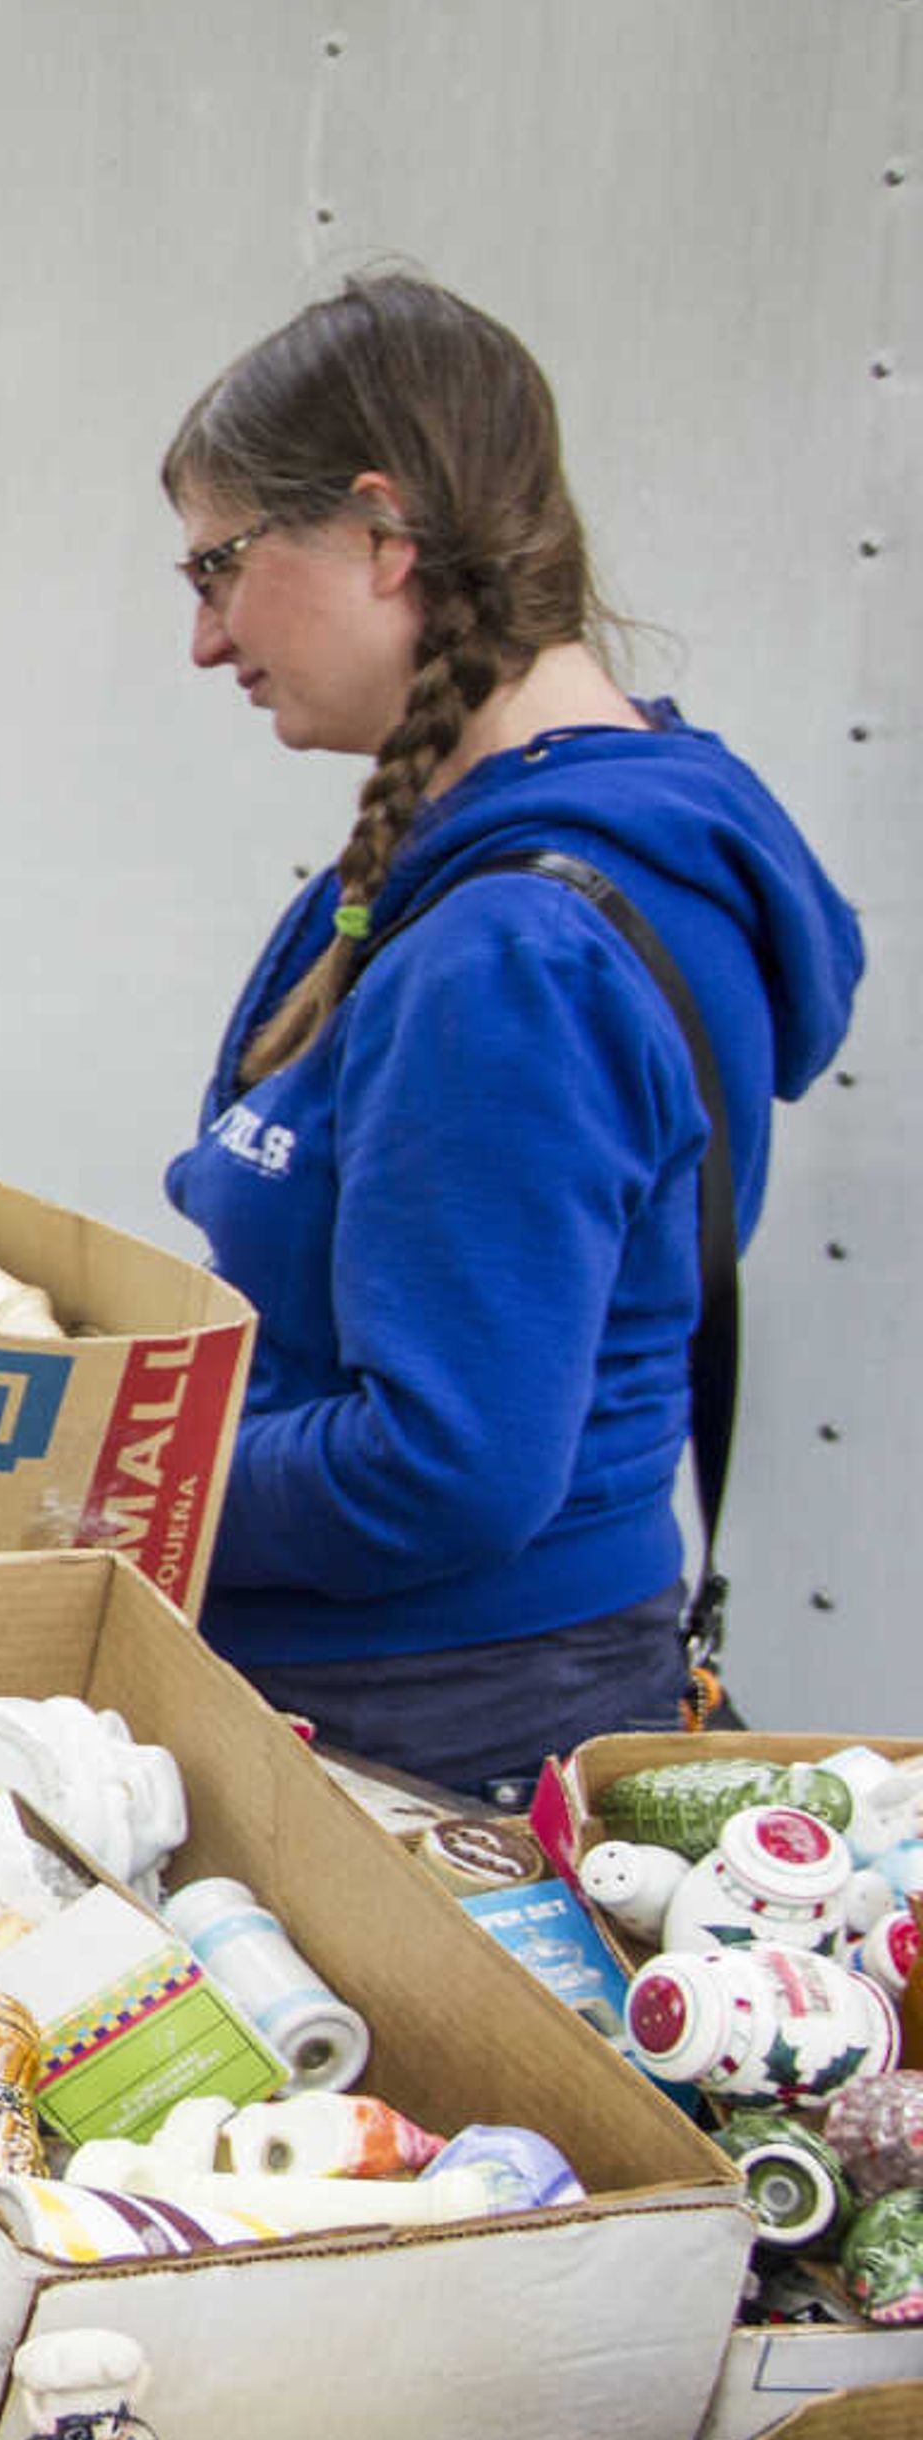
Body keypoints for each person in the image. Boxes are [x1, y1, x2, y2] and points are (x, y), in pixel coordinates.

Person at [157, 272, 863, 1802]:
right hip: (489, 1684)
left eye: (220, 565)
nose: (207, 639)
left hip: (424, 1740)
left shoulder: (514, 952)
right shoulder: (587, 832)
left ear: (380, 532)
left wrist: (103, 1467)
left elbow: (442, 1468)